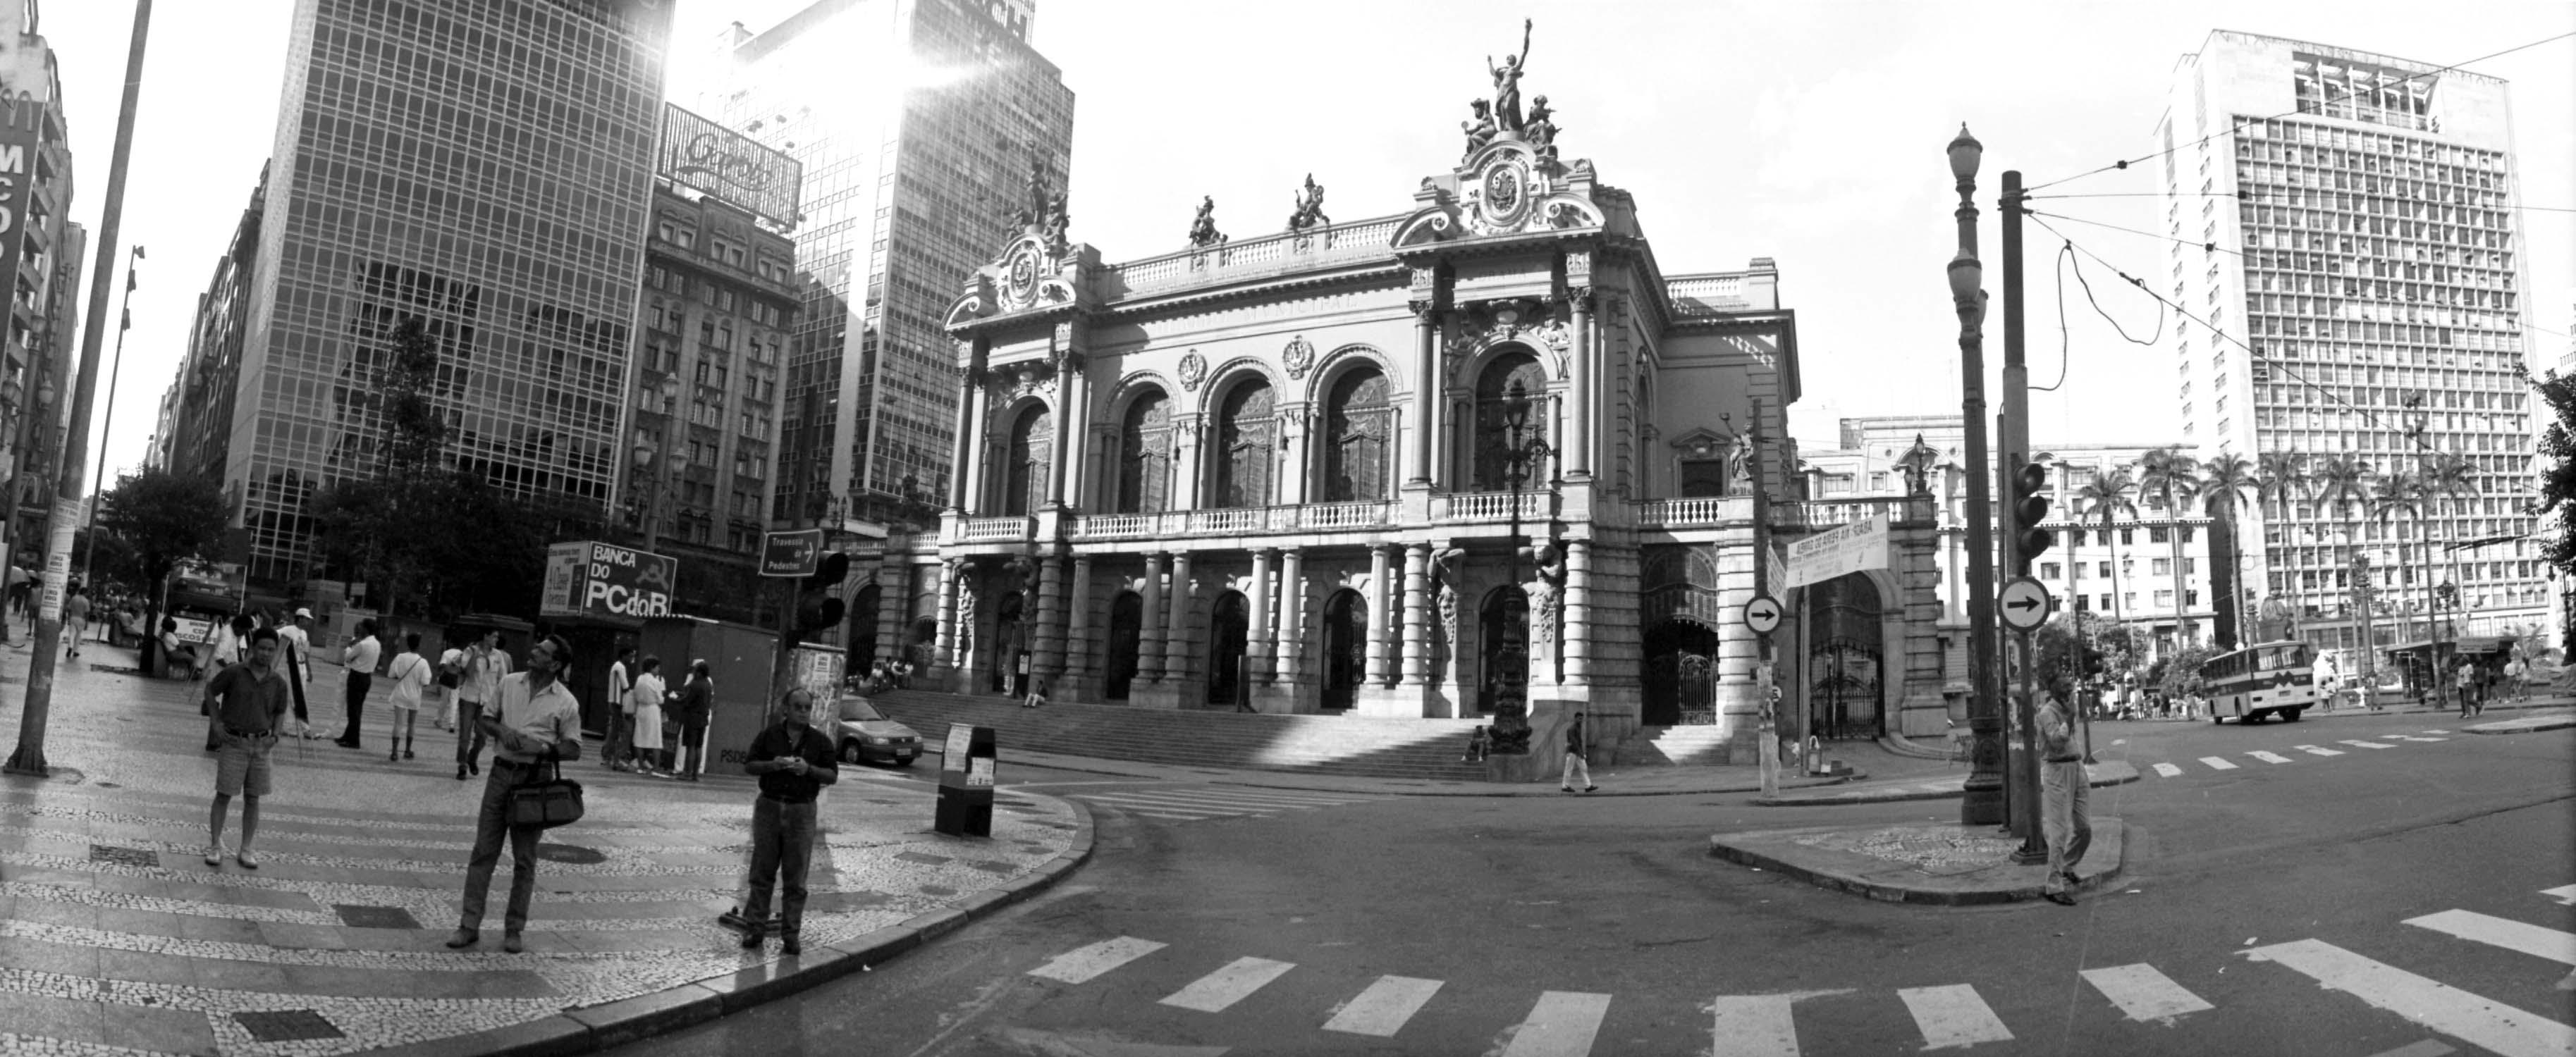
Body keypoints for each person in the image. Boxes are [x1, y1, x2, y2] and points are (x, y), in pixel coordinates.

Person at [446, 633, 582, 955]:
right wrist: (502, 731)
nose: (534, 652)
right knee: (484, 852)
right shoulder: (509, 682)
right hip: (501, 774)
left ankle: (514, 929)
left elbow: (574, 749)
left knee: (524, 859)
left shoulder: (566, 701)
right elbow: (485, 719)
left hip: (535, 783)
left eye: (543, 651)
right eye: (536, 648)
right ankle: (469, 925)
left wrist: (546, 748)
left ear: (556, 664)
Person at [738, 686, 840, 956]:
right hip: (770, 807)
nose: (804, 712)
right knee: (762, 872)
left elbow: (832, 775)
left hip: (801, 812)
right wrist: (773, 764)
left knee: (796, 878)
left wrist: (809, 770)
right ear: (787, 708)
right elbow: (749, 765)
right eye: (798, 707)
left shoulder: (820, 742)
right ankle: (755, 928)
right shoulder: (770, 735)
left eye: (808, 707)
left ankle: (791, 935)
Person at [202, 628, 292, 870]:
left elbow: (281, 709)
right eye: (261, 648)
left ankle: (247, 848)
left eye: (271, 650)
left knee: (253, 798)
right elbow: (210, 691)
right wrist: (216, 722)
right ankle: (215, 845)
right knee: (224, 794)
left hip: (262, 746)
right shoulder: (234, 672)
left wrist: (275, 735)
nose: (265, 653)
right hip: (234, 743)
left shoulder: (278, 682)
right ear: (252, 648)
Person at [2037, 681, 2092, 906]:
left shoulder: (2068, 709)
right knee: (2059, 832)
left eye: (2070, 691)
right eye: (2064, 692)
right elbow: (2057, 741)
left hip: (2076, 767)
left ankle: (2067, 865)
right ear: (2054, 693)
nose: (2068, 695)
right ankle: (2053, 886)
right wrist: (2069, 719)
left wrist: (2072, 714)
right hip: (2057, 770)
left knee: (2084, 828)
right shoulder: (2047, 713)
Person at [455, 629, 512, 781]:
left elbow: (503, 679)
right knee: (465, 735)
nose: (496, 639)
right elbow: (468, 672)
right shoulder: (470, 650)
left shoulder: (498, 655)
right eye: (494, 636)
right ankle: (462, 765)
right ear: (485, 636)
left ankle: (472, 757)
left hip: (487, 701)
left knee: (482, 736)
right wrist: (475, 654)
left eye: (497, 637)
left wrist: (501, 702)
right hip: (469, 698)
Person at [384, 632, 431, 761]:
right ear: (419, 645)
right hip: (414, 696)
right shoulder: (423, 662)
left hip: (400, 694)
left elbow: (391, 674)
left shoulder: (400, 657)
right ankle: (407, 750)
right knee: (412, 724)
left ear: (408, 644)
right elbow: (426, 682)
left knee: (398, 724)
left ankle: (394, 752)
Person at [336, 619, 383, 748]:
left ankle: (354, 741)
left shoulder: (362, 644)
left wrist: (349, 647)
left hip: (356, 677)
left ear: (366, 629)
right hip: (367, 678)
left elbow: (347, 658)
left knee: (353, 711)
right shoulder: (377, 644)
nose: (359, 629)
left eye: (361, 627)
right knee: (357, 709)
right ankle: (347, 736)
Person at [669, 660, 713, 781]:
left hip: (692, 718)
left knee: (691, 746)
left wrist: (674, 700)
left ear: (699, 673)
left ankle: (687, 773)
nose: (693, 673)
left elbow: (687, 700)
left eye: (695, 671)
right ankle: (695, 774)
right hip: (703, 719)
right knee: (699, 747)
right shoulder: (708, 684)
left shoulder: (696, 684)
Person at [277, 608, 317, 737]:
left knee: (295, 698)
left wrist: (309, 670)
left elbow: (305, 652)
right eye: (306, 619)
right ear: (299, 618)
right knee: (297, 698)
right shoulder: (288, 630)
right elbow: (273, 634)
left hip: (302, 668)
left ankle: (286, 727)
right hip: (292, 668)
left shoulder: (304, 633)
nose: (308, 622)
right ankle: (306, 729)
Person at [630, 656, 668, 777]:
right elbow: (661, 699)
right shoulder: (656, 681)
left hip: (641, 709)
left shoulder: (639, 679)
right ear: (652, 668)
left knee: (639, 739)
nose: (658, 670)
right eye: (657, 667)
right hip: (653, 710)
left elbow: (635, 695)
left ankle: (640, 766)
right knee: (656, 740)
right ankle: (656, 768)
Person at [603, 646, 636, 772]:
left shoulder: (617, 666)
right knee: (619, 731)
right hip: (618, 703)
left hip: (614, 702)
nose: (632, 659)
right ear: (624, 656)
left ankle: (608, 757)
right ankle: (615, 760)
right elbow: (625, 686)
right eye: (630, 656)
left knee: (614, 731)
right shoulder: (620, 667)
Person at [435, 636, 465, 732]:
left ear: (451, 643)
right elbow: (463, 669)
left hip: (447, 677)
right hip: (457, 679)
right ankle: (452, 724)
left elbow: (442, 665)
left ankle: (439, 720)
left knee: (444, 700)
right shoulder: (462, 654)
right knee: (454, 701)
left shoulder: (446, 653)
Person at [1560, 712, 1595, 793]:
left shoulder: (1578, 727)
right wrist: (1580, 753)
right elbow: (1574, 742)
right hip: (1572, 751)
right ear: (1575, 718)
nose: (1581, 720)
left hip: (1577, 751)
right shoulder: (1571, 729)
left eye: (1582, 719)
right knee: (1569, 769)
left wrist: (1581, 752)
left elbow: (1578, 742)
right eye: (1579, 718)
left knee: (1584, 768)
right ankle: (1565, 786)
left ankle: (1588, 786)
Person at [62, 588, 90, 658]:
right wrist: (86, 623)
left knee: (71, 635)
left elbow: (69, 609)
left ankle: (70, 647)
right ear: (85, 593)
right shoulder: (86, 601)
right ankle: (75, 652)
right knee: (78, 636)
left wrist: (69, 619)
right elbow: (87, 613)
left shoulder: (74, 598)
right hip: (81, 619)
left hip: (73, 618)